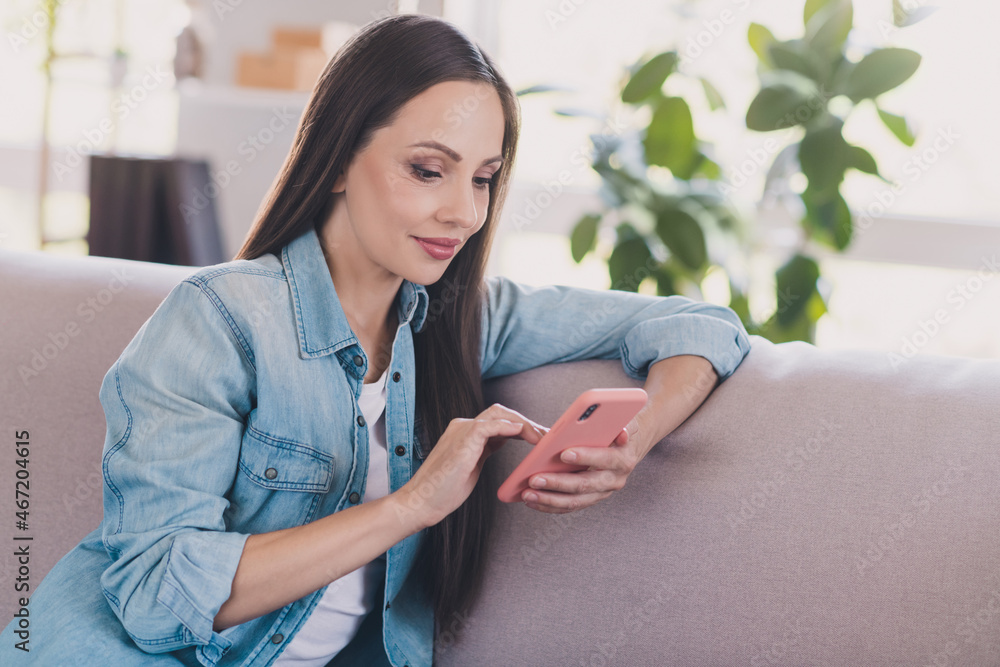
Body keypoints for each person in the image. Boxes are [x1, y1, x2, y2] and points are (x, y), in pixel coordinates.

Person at [0, 13, 751, 667]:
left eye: (483, 178)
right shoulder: (218, 321)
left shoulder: (457, 319)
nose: (463, 212)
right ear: (337, 160)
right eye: (429, 170)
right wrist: (411, 504)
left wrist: (633, 440)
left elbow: (699, 325)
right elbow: (157, 594)